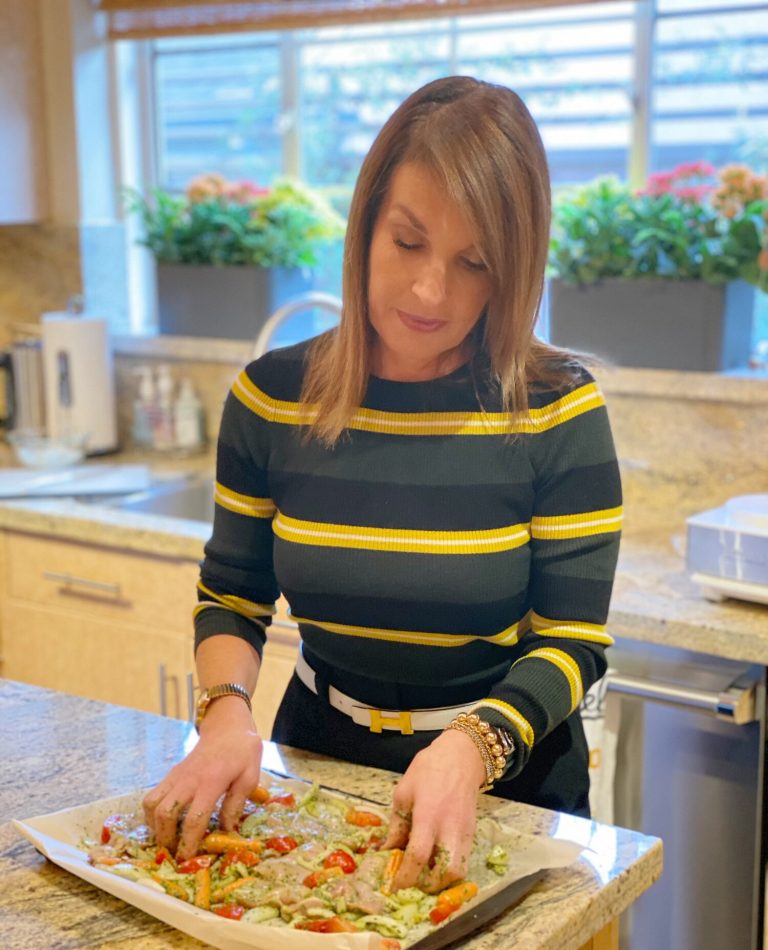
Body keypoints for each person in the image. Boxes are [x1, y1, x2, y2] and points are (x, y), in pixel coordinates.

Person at [144, 75, 623, 894]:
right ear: (364, 225)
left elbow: (572, 641)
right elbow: (233, 592)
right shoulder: (269, 398)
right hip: (316, 764)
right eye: (408, 242)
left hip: (507, 783)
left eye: (474, 263)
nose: (432, 291)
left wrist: (470, 749)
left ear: (511, 272)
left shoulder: (558, 413)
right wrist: (225, 716)